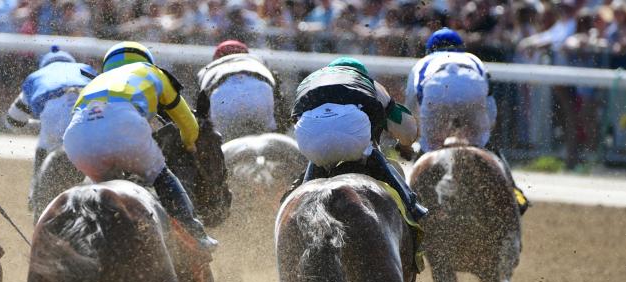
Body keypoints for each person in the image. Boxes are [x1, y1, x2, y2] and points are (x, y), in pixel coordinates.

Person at [63, 41, 218, 250]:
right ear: (147, 61)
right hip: (125, 126)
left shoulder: (94, 83)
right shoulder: (153, 73)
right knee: (161, 176)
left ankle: (76, 242)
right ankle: (194, 233)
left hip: (76, 138)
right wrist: (189, 145)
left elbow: (86, 123)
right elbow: (188, 124)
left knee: (98, 194)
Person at [284, 57, 427, 222]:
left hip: (311, 135)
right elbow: (408, 131)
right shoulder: (370, 84)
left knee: (318, 154)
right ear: (361, 73)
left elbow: (301, 122)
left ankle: (293, 209)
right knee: (371, 153)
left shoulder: (311, 80)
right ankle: (412, 207)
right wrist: (404, 144)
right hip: (353, 135)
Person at [406, 28, 528, 214]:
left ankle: (409, 201)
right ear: (460, 48)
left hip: (435, 91)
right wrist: (483, 134)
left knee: (426, 151)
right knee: (485, 146)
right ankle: (514, 192)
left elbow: (411, 109)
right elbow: (490, 108)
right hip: (473, 88)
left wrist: (421, 137)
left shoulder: (423, 63)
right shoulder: (473, 59)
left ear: (430, 50)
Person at [5, 46, 96, 189]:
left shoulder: (37, 76)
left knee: (44, 142)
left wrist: (37, 125)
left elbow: (13, 121)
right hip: (90, 111)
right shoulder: (85, 69)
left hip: (53, 115)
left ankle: (36, 193)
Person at [196, 39, 285, 140]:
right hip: (260, 93)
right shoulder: (257, 63)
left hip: (222, 99)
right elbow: (282, 109)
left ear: (217, 58)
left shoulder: (208, 70)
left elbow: (200, 114)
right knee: (270, 141)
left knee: (219, 144)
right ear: (246, 53)